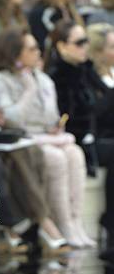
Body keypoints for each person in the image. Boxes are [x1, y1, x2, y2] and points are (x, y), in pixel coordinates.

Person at [0, 28, 95, 247]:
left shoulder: (44, 79)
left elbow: (52, 116)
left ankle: (74, 221)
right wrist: (28, 90)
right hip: (24, 139)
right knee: (56, 158)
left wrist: (54, 125)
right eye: (31, 49)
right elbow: (13, 119)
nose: (38, 52)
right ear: (15, 53)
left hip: (46, 136)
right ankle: (60, 223)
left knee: (74, 154)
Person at [46, 20, 97, 173]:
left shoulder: (85, 69)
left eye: (86, 41)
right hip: (75, 138)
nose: (85, 47)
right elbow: (67, 116)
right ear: (62, 46)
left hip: (95, 134)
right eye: (79, 43)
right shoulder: (56, 77)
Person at [86, 23, 114, 258]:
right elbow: (94, 112)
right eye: (112, 47)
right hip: (96, 138)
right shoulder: (90, 76)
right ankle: (109, 220)